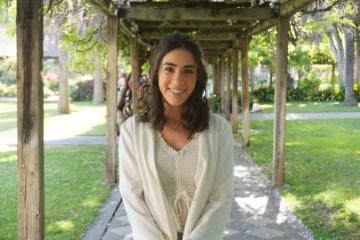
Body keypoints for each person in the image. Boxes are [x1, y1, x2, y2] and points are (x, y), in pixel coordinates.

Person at [119, 33, 234, 240]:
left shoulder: (219, 130)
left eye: (188, 71)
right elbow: (132, 196)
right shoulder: (132, 131)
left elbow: (221, 197)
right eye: (169, 69)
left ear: (197, 77)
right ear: (156, 73)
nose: (178, 80)